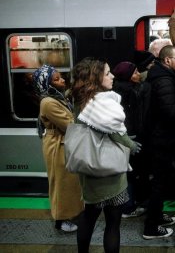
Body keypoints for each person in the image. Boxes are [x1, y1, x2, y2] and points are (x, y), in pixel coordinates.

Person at [71, 57, 141, 253]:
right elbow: (115, 131)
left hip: (89, 167)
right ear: (96, 77)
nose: (112, 76)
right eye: (108, 73)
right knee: (112, 224)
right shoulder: (101, 102)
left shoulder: (80, 100)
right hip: (112, 169)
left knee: (89, 217)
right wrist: (130, 143)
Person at [143, 45, 175, 239]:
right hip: (162, 139)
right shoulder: (164, 81)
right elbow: (171, 113)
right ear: (167, 61)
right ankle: (151, 228)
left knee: (161, 182)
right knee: (159, 184)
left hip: (160, 137)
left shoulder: (162, 76)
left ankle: (156, 216)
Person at [33, 65, 83, 233]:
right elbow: (69, 124)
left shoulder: (57, 97)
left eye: (60, 77)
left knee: (68, 182)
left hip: (63, 143)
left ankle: (69, 213)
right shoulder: (48, 102)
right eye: (56, 79)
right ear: (47, 84)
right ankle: (60, 220)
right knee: (61, 183)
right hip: (57, 146)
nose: (62, 80)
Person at [112, 61, 150, 219]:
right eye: (134, 72)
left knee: (127, 173)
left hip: (123, 137)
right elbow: (134, 118)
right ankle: (128, 207)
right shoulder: (131, 92)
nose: (138, 74)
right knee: (131, 173)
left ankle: (126, 205)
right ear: (127, 76)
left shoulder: (116, 90)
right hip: (131, 138)